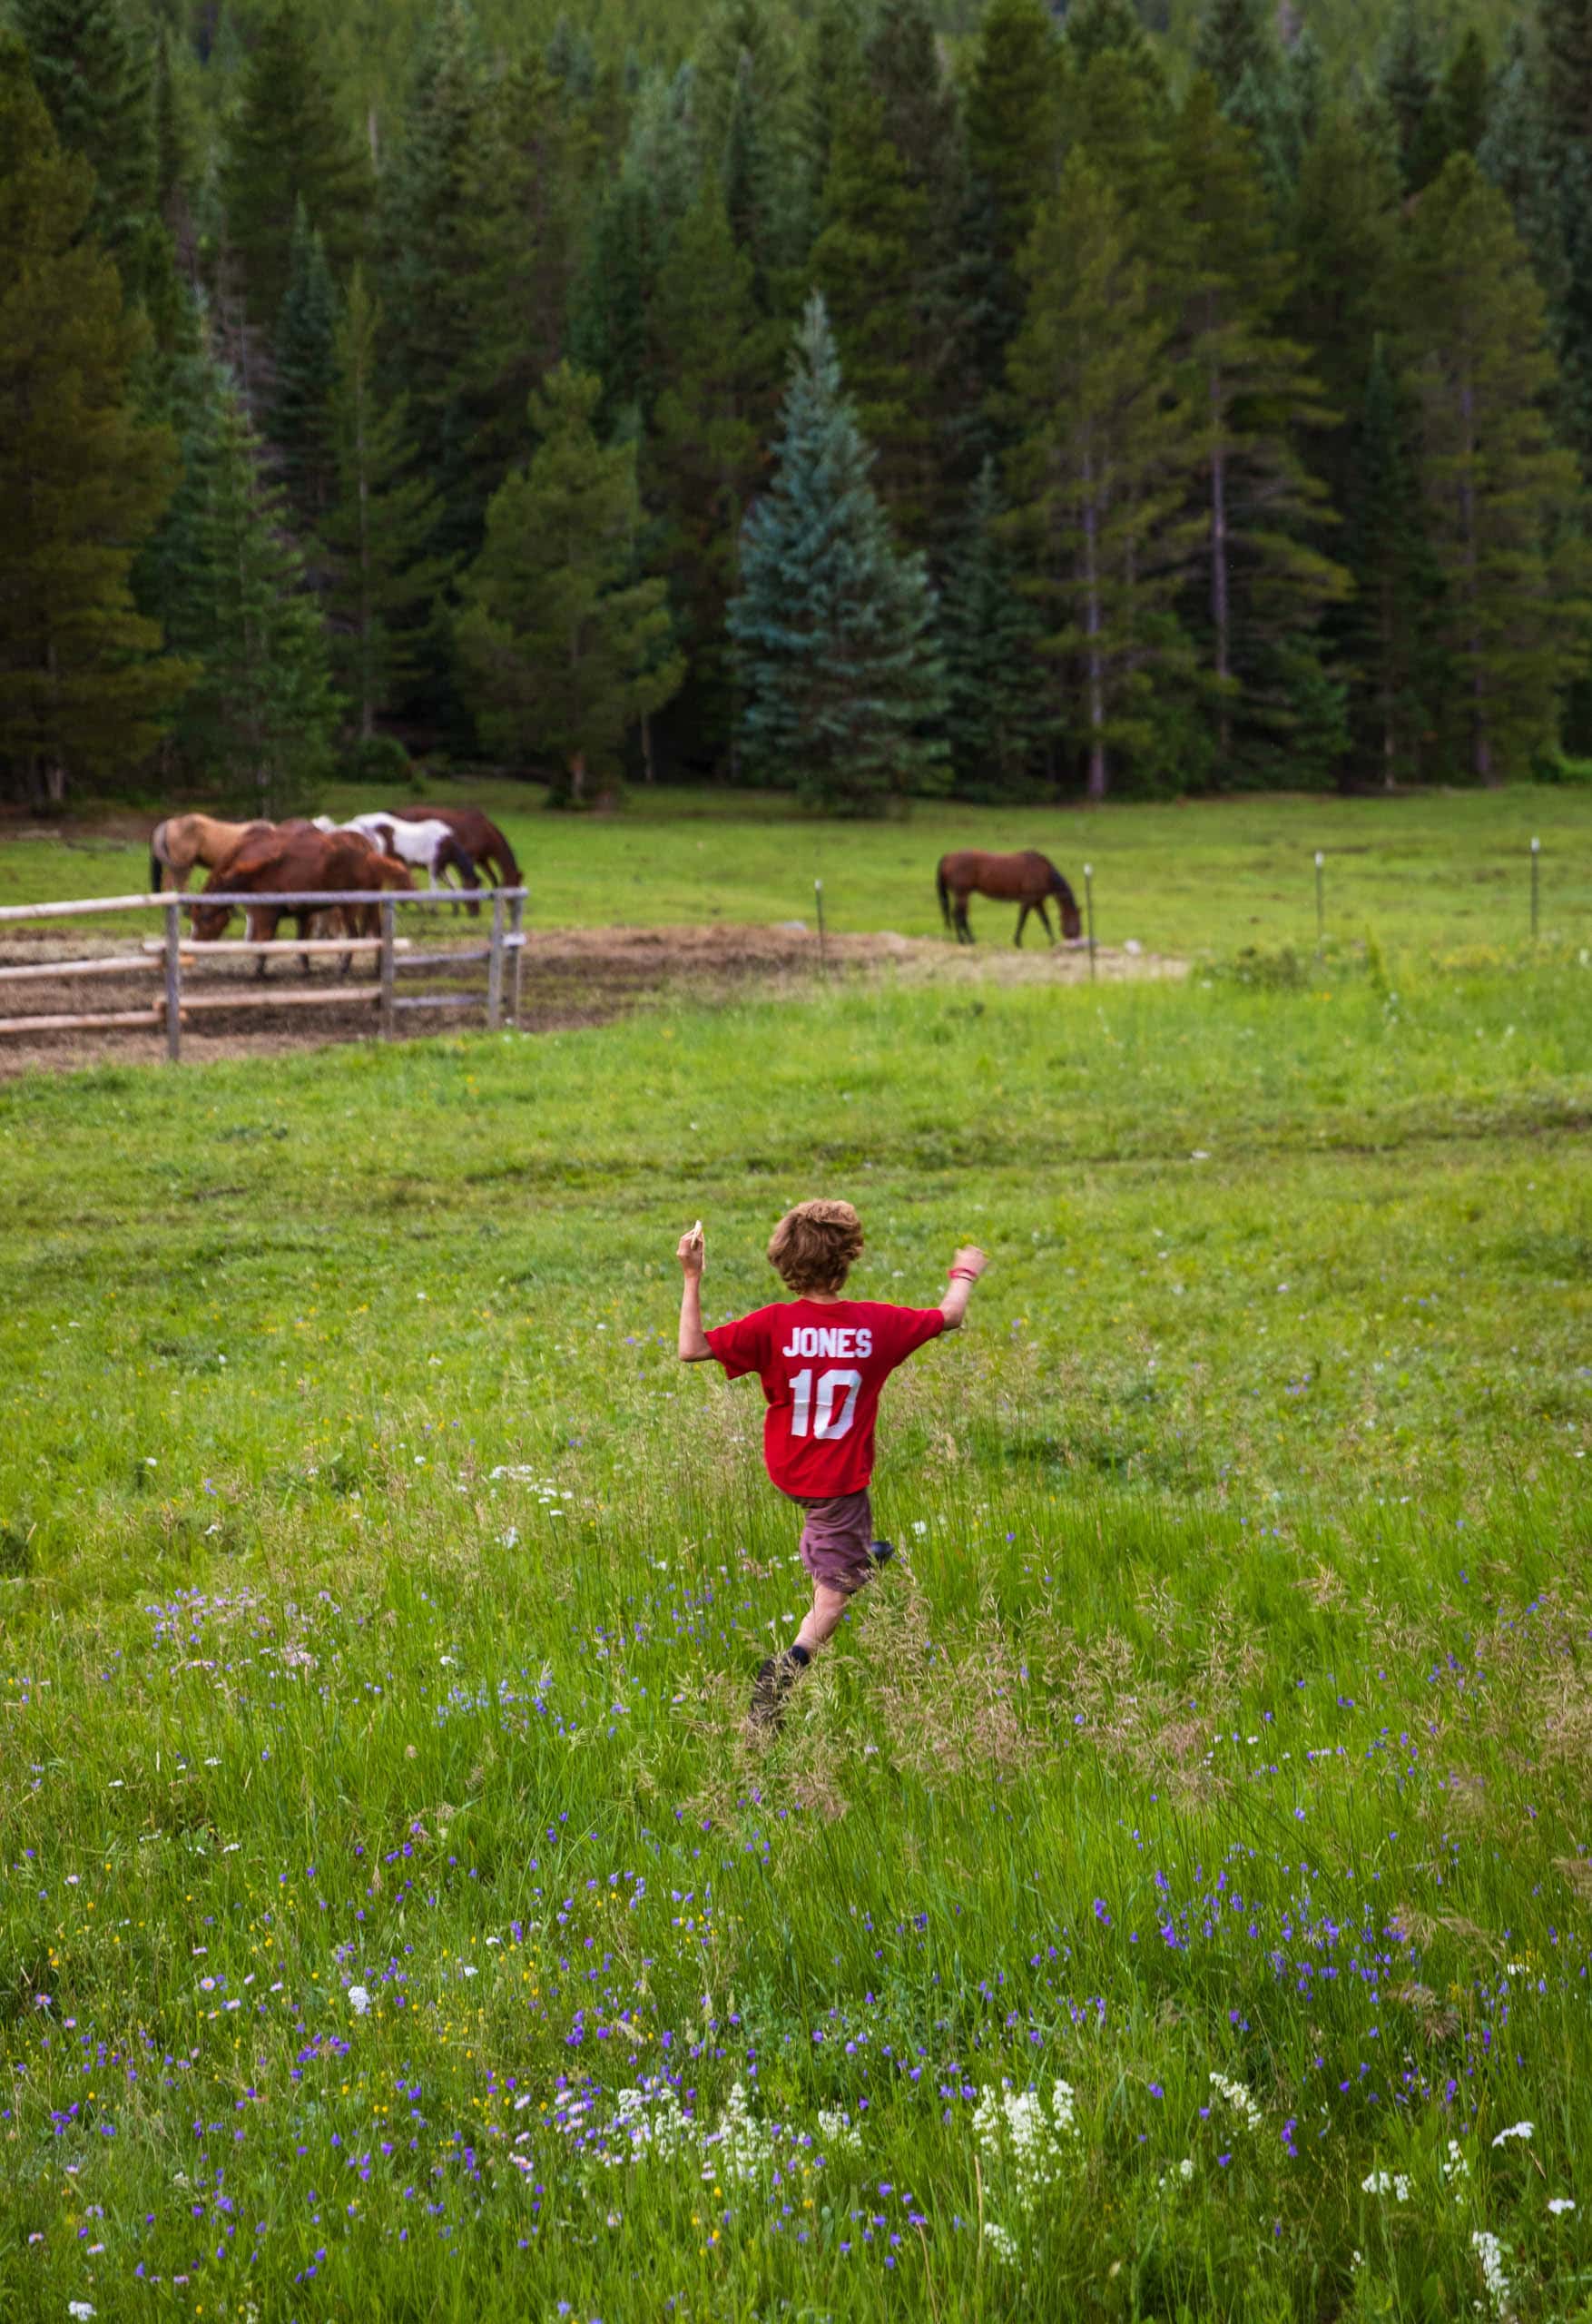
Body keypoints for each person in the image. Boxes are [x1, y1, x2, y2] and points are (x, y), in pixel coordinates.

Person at [676, 1199, 987, 1733]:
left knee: (843, 1546)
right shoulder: (876, 1324)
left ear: (784, 1261)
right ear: (848, 1258)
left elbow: (691, 1348)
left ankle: (864, 1558)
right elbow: (951, 1316)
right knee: (834, 1597)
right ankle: (786, 1671)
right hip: (837, 1488)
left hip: (790, 1472)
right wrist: (964, 1272)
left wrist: (692, 1275)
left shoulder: (773, 1324)